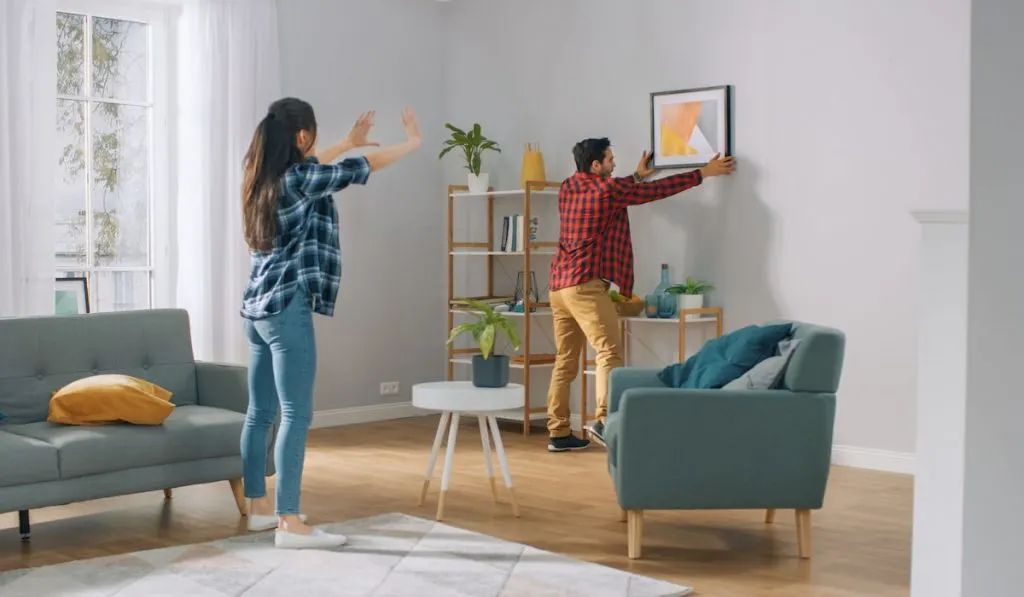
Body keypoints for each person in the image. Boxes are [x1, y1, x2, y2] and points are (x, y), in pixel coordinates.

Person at [238, 97, 422, 549]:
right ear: (302, 136)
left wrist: (343, 141)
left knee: (260, 413)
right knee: (297, 414)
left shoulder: (262, 178)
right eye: (315, 136)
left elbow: (319, 163)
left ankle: (257, 509)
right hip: (287, 309)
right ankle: (290, 524)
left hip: (257, 309)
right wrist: (412, 143)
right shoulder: (301, 178)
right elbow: (364, 168)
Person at [545, 138, 735, 452]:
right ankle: (605, 422)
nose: (613, 163)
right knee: (609, 352)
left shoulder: (568, 187)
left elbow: (620, 188)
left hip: (559, 287)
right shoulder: (608, 192)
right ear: (596, 165)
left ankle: (558, 431)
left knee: (565, 360)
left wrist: (635, 175)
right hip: (585, 286)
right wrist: (704, 172)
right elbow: (655, 192)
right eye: (609, 159)